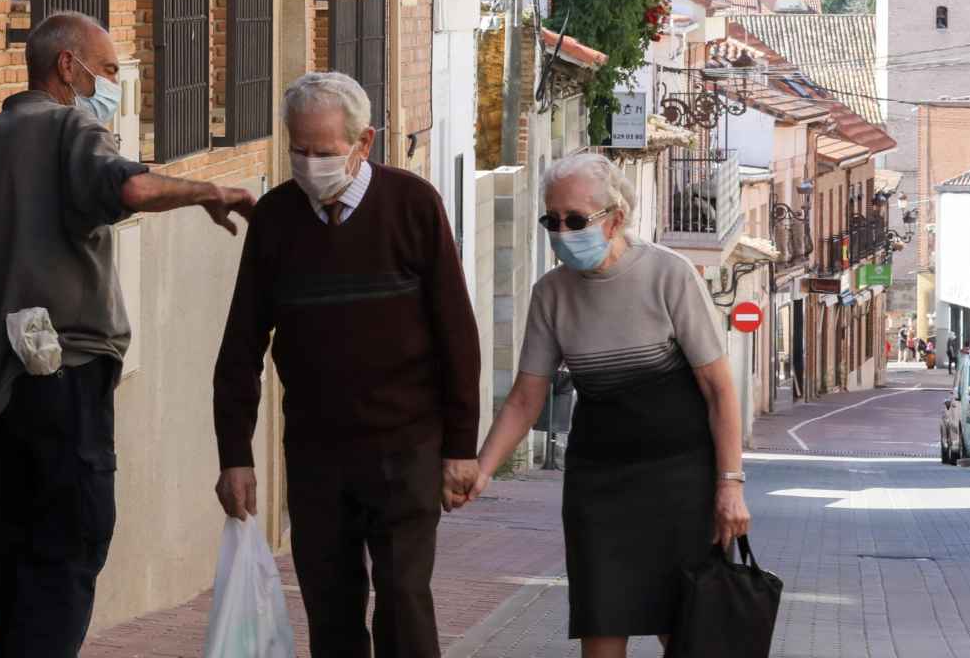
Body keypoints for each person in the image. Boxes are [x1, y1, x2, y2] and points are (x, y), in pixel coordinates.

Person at [0, 12, 256, 658]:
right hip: (63, 396)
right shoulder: (70, 128)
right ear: (68, 66)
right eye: (109, 69)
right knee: (68, 559)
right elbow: (128, 185)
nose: (112, 83)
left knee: (9, 581)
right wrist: (208, 190)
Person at [212, 72, 482, 658]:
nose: (310, 165)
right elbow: (240, 348)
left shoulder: (413, 206)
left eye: (325, 152)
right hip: (315, 452)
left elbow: (457, 334)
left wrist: (461, 446)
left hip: (406, 444)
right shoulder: (277, 221)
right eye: (299, 151)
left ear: (365, 143)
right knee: (329, 606)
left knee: (404, 598)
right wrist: (235, 455)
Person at [461, 153, 750, 658]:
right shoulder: (551, 294)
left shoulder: (670, 275)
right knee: (602, 623)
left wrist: (730, 485)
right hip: (599, 480)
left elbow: (719, 388)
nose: (562, 232)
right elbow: (528, 394)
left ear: (615, 217)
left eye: (576, 220)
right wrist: (483, 469)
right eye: (552, 220)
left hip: (681, 477)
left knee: (687, 629)